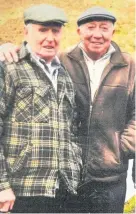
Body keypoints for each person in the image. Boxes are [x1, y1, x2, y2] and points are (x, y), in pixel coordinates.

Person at [0, 6, 135, 213]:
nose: (97, 34)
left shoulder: (128, 65)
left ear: (113, 32)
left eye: (104, 28)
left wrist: (121, 147)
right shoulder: (50, 63)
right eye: (90, 27)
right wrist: (8, 47)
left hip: (95, 179)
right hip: (47, 184)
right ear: (78, 32)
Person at [0, 4, 83, 213]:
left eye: (55, 30)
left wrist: (75, 163)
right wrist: (2, 186)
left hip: (62, 188)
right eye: (42, 30)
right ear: (26, 32)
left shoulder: (63, 74)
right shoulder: (9, 67)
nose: (50, 37)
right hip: (22, 190)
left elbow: (70, 127)